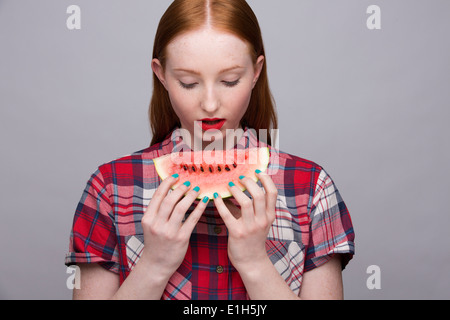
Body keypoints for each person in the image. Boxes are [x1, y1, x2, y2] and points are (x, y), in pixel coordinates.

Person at [65, 0, 355, 300]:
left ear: (256, 72)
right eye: (188, 83)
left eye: (230, 81)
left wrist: (254, 262)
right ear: (161, 74)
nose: (211, 104)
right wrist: (154, 264)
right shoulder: (110, 187)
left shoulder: (311, 188)